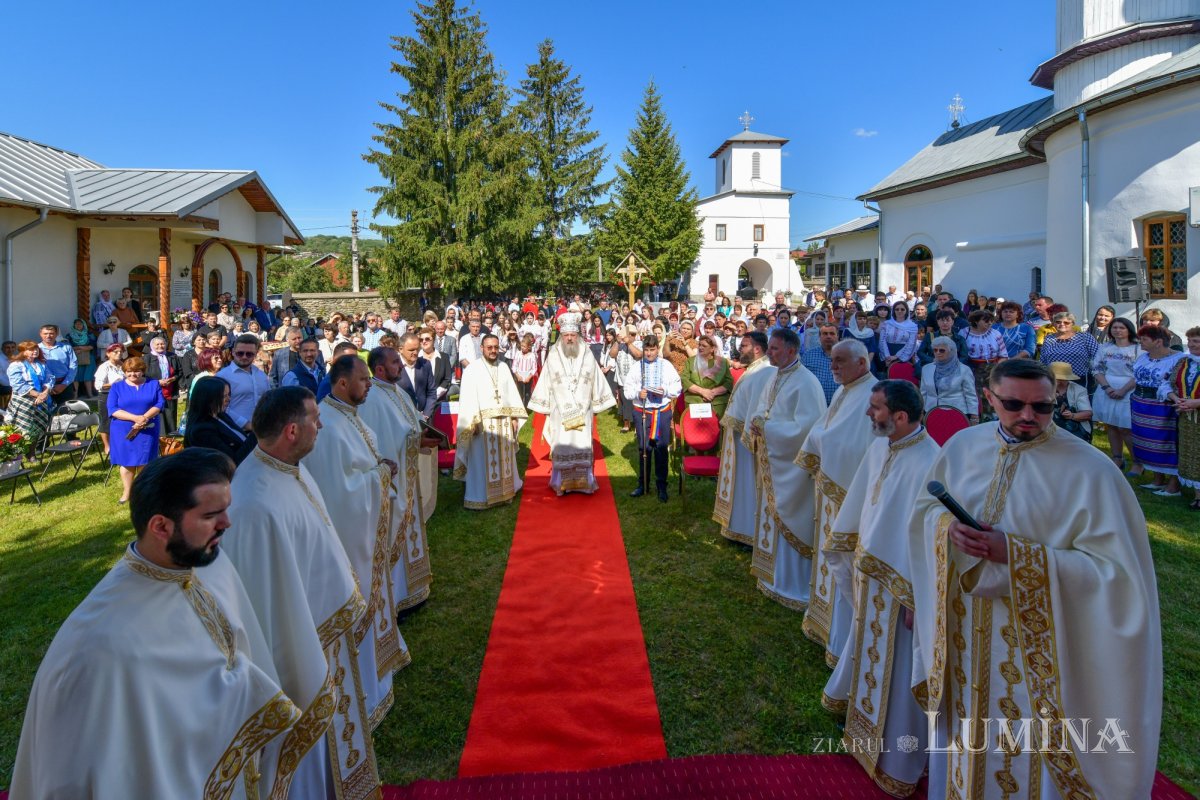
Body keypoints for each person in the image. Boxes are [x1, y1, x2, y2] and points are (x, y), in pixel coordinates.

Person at [908, 358, 1162, 799]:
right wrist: (947, 530)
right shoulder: (963, 447)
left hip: (1042, 646)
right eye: (1013, 404)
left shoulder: (1093, 472)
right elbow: (924, 510)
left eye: (1042, 407)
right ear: (989, 399)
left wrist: (1020, 556)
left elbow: (1120, 580)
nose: (1028, 416)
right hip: (966, 629)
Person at [10, 450, 302, 798]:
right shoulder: (102, 646)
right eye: (211, 515)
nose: (228, 522)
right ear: (161, 526)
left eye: (226, 508)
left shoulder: (208, 563)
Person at [821, 380, 934, 794]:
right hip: (872, 577)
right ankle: (864, 729)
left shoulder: (930, 463)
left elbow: (925, 539)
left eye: (875, 408)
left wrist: (917, 597)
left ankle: (899, 756)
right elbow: (865, 502)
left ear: (900, 416)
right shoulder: (881, 446)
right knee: (871, 649)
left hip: (903, 589)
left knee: (901, 668)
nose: (869, 414)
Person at [302, 354, 408, 726]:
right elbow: (341, 491)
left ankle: (381, 666)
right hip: (351, 538)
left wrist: (380, 468)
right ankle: (367, 684)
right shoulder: (328, 425)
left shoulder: (348, 415)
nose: (368, 385)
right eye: (363, 380)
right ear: (341, 383)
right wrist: (380, 474)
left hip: (365, 529)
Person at [799, 338, 877, 664]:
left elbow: (849, 443)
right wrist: (817, 440)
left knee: (841, 562)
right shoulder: (847, 390)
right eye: (832, 361)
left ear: (862, 363)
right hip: (832, 492)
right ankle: (823, 620)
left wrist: (818, 442)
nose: (833, 368)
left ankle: (842, 637)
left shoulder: (871, 394)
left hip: (847, 494)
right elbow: (825, 427)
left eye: (840, 361)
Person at [746, 329, 827, 607]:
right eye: (769, 347)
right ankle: (772, 575)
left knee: (790, 516)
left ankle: (792, 583)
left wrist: (767, 428)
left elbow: (806, 429)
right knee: (771, 513)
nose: (769, 352)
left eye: (776, 349)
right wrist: (758, 422)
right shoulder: (776, 376)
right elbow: (763, 408)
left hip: (791, 470)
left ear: (792, 351)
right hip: (773, 462)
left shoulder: (807, 383)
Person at [361, 346, 433, 611]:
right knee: (395, 532)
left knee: (411, 527)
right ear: (379, 369)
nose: (401, 365)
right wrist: (417, 441)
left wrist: (421, 437)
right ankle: (399, 595)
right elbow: (384, 443)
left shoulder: (397, 391)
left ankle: (414, 588)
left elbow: (409, 428)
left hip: (408, 475)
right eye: (395, 362)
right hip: (395, 479)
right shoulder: (371, 399)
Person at [528, 314, 616, 496]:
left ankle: (584, 484)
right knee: (562, 444)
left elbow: (596, 379)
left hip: (583, 411)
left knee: (582, 443)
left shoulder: (588, 353)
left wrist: (598, 402)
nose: (569, 338)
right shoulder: (552, 354)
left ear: (578, 335)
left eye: (572, 335)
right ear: (561, 335)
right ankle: (561, 484)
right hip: (560, 412)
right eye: (566, 335)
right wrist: (544, 407)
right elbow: (545, 380)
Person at [713, 332, 774, 545]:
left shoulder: (765, 371)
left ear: (757, 348)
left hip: (748, 440)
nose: (741, 350)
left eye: (745, 346)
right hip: (738, 436)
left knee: (748, 483)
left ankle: (747, 529)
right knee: (740, 482)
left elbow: (759, 408)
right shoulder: (754, 369)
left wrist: (749, 434)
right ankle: (736, 525)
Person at [455, 334, 528, 508]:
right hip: (482, 425)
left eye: (496, 347)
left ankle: (505, 493)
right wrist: (473, 422)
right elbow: (468, 398)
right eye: (489, 347)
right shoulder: (472, 370)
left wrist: (514, 417)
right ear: (482, 348)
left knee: (504, 461)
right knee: (481, 463)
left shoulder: (503, 367)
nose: (493, 350)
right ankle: (480, 497)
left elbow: (511, 393)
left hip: (504, 423)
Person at [623, 334, 683, 503]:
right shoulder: (637, 367)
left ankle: (661, 485)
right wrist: (637, 393)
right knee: (644, 449)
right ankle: (643, 484)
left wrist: (664, 390)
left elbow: (677, 387)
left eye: (652, 350)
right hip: (642, 411)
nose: (649, 354)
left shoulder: (666, 366)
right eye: (646, 350)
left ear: (658, 349)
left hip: (662, 411)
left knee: (661, 448)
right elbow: (628, 389)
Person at [1130, 325, 1185, 496]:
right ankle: (1157, 479)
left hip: (1163, 406)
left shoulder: (1179, 359)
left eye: (1145, 339)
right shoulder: (1143, 358)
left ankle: (1174, 484)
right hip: (1141, 403)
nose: (1141, 342)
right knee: (1146, 441)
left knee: (1167, 443)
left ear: (1158, 342)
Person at [107, 356, 164, 503]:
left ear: (143, 371)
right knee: (127, 462)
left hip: (148, 428)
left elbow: (159, 403)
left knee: (145, 461)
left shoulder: (153, 384)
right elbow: (113, 409)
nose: (132, 375)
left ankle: (144, 492)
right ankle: (128, 492)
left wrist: (144, 418)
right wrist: (135, 418)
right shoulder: (117, 387)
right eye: (129, 372)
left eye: (136, 371)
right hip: (124, 429)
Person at [1091, 318, 1139, 470]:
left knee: (1126, 428)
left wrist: (1123, 390)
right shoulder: (1104, 347)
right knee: (1111, 425)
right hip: (1107, 388)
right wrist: (1107, 387)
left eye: (1122, 328)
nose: (1117, 330)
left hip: (1129, 389)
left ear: (1129, 330)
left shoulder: (1138, 349)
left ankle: (1137, 462)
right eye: (1115, 327)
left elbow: (1140, 373)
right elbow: (1096, 369)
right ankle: (1117, 458)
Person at [182, 376, 257, 464]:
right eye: (223, 396)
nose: (228, 399)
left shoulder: (221, 415)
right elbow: (232, 460)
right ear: (207, 399)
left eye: (228, 395)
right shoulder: (202, 430)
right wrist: (257, 433)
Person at [1165, 327, 1200, 510]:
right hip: (1187, 417)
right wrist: (1176, 398)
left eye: (1197, 341)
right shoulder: (1184, 362)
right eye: (1191, 341)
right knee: (1192, 454)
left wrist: (1196, 402)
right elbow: (1168, 384)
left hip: (1195, 411)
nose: (1192, 345)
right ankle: (1198, 495)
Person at [5, 340, 55, 450]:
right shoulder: (16, 365)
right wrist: (38, 395)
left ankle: (32, 453)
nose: (35, 351)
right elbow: (18, 384)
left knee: (38, 427)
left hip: (41, 399)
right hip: (24, 400)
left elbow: (50, 378)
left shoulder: (41, 364)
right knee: (22, 428)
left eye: (36, 348)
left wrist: (45, 392)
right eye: (31, 349)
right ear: (23, 352)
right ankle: (17, 453)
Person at [217, 334, 271, 432]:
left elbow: (268, 400)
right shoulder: (223, 376)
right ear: (233, 352)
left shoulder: (261, 375)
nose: (244, 357)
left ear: (256, 354)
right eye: (240, 353)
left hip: (262, 431)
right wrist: (246, 424)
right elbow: (219, 407)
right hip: (233, 432)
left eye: (249, 354)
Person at [919, 336, 978, 421]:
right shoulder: (926, 369)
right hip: (931, 413)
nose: (938, 353)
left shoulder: (964, 370)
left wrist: (974, 417)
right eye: (935, 350)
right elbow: (923, 393)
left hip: (956, 414)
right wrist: (921, 412)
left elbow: (970, 395)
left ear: (952, 351)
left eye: (942, 350)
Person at [1039, 310, 1099, 387]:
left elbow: (1097, 356)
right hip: (1054, 380)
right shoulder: (1049, 338)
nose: (1062, 324)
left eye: (1066, 322)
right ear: (1053, 323)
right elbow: (1043, 360)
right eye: (1058, 322)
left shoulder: (1085, 337)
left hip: (1080, 379)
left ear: (1073, 324)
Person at [680, 333, 733, 419]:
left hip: (717, 403)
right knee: (694, 430)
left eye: (704, 346)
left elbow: (729, 382)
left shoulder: (722, 362)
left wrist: (713, 392)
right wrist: (702, 391)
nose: (700, 348)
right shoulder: (690, 361)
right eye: (699, 345)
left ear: (712, 349)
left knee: (715, 430)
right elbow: (685, 380)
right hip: (695, 402)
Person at [395, 332, 437, 418]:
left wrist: (426, 414)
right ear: (400, 349)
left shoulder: (425, 364)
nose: (415, 352)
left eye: (417, 349)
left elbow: (431, 392)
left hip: (423, 418)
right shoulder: (393, 367)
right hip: (401, 418)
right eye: (411, 350)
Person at [1049, 361, 1093, 441]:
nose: (1060, 381)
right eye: (1057, 378)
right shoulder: (1043, 388)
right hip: (1047, 427)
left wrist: (1072, 415)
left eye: (1062, 378)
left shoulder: (1079, 390)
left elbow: (1088, 414)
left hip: (1073, 429)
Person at [37, 324, 78, 403]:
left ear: (56, 334)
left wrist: (64, 384)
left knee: (65, 412)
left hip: (64, 385)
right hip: (43, 386)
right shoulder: (36, 349)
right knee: (45, 413)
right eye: (45, 333)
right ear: (40, 334)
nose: (48, 336)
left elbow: (73, 367)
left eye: (51, 333)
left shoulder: (66, 347)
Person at [801, 324, 840, 403]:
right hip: (814, 404)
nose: (828, 336)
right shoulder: (808, 355)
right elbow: (800, 379)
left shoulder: (847, 355)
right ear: (819, 336)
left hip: (840, 406)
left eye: (832, 333)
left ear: (837, 336)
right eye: (825, 334)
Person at [65, 318, 95, 397]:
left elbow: (93, 345)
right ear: (74, 325)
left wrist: (80, 349)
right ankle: (75, 395)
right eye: (76, 324)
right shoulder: (69, 335)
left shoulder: (89, 334)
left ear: (84, 325)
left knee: (88, 376)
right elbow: (67, 347)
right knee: (75, 377)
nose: (78, 325)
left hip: (88, 357)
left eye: (80, 324)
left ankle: (90, 394)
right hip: (75, 357)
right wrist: (78, 349)